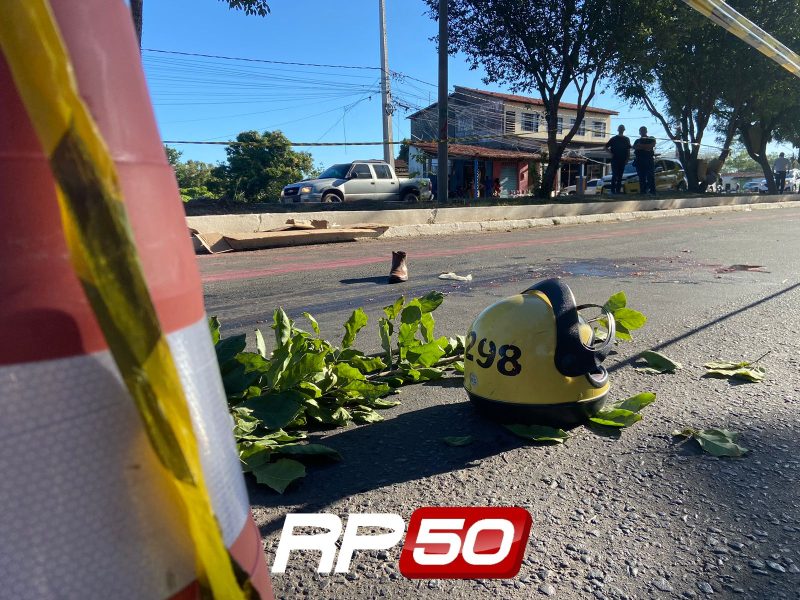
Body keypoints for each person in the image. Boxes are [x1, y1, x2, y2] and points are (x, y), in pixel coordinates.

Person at [604, 124, 632, 194]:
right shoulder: (613, 139)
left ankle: (618, 191)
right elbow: (605, 147)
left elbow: (628, 150)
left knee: (620, 176)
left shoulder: (626, 139)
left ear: (624, 130)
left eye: (622, 128)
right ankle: (613, 190)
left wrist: (627, 159)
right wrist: (611, 153)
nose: (621, 129)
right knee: (614, 175)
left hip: (623, 160)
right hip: (615, 159)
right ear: (618, 129)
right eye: (620, 128)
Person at [632, 126, 657, 194]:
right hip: (639, 160)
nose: (642, 132)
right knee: (641, 177)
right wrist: (646, 148)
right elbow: (635, 147)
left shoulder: (651, 138)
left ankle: (652, 191)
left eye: (644, 130)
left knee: (650, 176)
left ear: (646, 131)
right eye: (641, 130)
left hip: (649, 160)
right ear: (639, 132)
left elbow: (652, 145)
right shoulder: (637, 140)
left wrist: (641, 146)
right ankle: (643, 192)